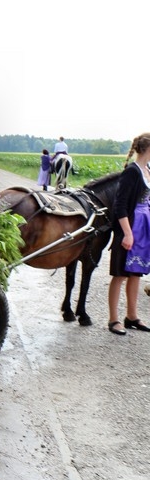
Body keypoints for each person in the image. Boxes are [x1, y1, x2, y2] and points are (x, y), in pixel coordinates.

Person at [106, 133, 150, 335]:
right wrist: (127, 233)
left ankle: (132, 316)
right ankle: (113, 319)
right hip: (130, 227)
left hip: (143, 228)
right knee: (120, 274)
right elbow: (120, 205)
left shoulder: (147, 170)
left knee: (136, 274)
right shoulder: (132, 172)